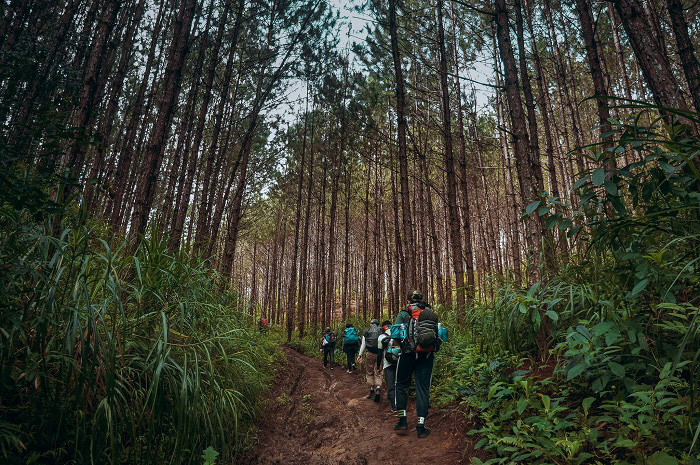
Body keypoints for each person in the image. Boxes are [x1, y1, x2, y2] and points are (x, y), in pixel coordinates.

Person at [393, 291, 440, 438]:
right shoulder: (429, 312)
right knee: (423, 388)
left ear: (408, 300)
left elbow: (395, 334)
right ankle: (421, 426)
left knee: (401, 385)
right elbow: (438, 334)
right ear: (421, 299)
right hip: (426, 355)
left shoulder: (404, 313)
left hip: (407, 354)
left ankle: (402, 421)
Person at [356, 319, 383, 402]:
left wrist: (360, 355)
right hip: (380, 354)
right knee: (378, 371)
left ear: (371, 324)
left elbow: (363, 344)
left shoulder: (367, 331)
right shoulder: (381, 330)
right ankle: (378, 388)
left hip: (370, 354)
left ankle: (371, 390)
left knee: (369, 371)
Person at [378, 320, 397, 410]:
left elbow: (379, 353)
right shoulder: (397, 334)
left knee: (391, 385)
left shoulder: (382, 337)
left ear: (384, 327)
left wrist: (378, 366)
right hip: (399, 362)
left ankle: (394, 406)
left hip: (388, 364)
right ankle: (401, 406)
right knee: (399, 385)